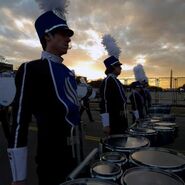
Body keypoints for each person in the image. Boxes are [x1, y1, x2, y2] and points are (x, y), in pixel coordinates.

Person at [7, 8, 80, 185]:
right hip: (51, 162)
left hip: (76, 155)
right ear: (47, 36)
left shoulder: (67, 72)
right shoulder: (32, 69)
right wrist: (19, 176)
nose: (68, 39)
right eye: (63, 33)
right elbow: (19, 121)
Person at [100, 56, 128, 135]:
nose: (120, 68)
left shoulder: (115, 80)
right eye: (118, 66)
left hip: (121, 119)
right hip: (114, 121)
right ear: (112, 67)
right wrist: (106, 124)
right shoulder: (107, 81)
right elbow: (104, 102)